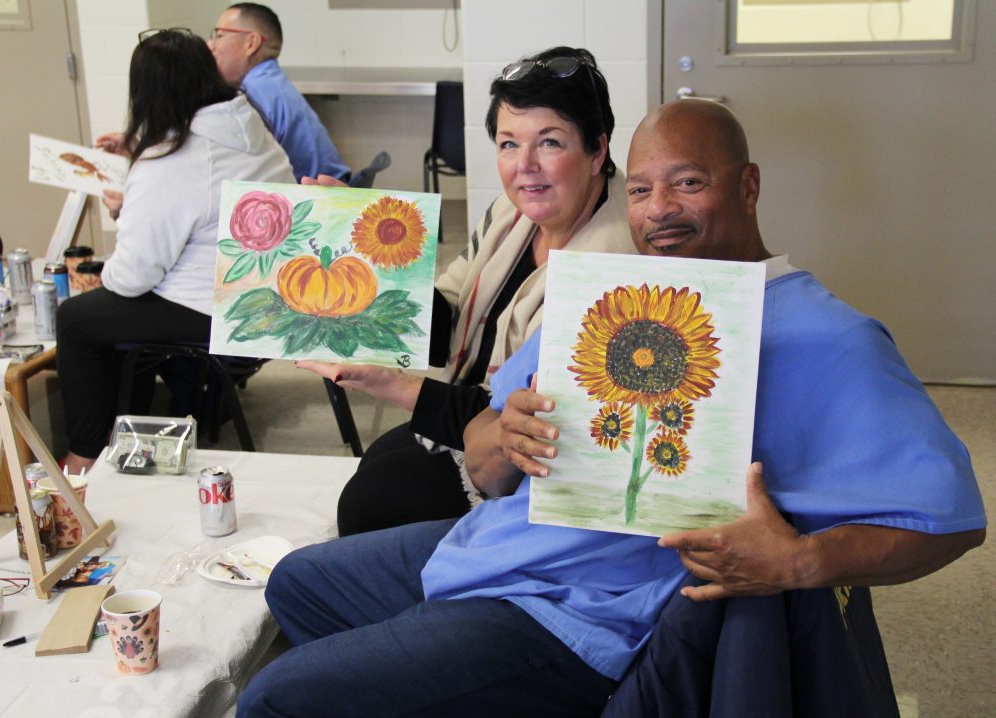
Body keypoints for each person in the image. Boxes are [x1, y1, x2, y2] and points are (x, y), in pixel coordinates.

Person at [235, 99, 986, 717]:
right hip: (503, 546)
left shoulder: (831, 337)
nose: (660, 211)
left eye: (688, 183)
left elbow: (951, 521)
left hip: (590, 612)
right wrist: (504, 436)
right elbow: (487, 465)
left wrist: (801, 561)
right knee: (296, 583)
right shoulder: (611, 298)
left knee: (276, 697)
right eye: (641, 190)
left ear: (749, 186)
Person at [298, 47, 634, 536]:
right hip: (473, 417)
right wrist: (366, 252)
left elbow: (529, 421)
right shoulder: (512, 214)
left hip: (536, 463)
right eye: (508, 144)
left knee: (371, 504)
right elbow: (445, 323)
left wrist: (394, 384)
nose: (525, 166)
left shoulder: (615, 265)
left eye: (550, 143)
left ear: (597, 150)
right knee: (376, 469)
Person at [57, 29, 293, 476]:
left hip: (216, 308)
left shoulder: (173, 159)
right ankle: (126, 439)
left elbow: (132, 277)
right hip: (267, 296)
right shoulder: (248, 127)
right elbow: (203, 198)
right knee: (112, 317)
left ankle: (84, 456)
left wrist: (125, 219)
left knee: (77, 319)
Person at [208, 3, 350, 183]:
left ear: (251, 43)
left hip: (317, 192)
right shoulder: (270, 82)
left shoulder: (255, 93)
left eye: (219, 35)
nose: (210, 45)